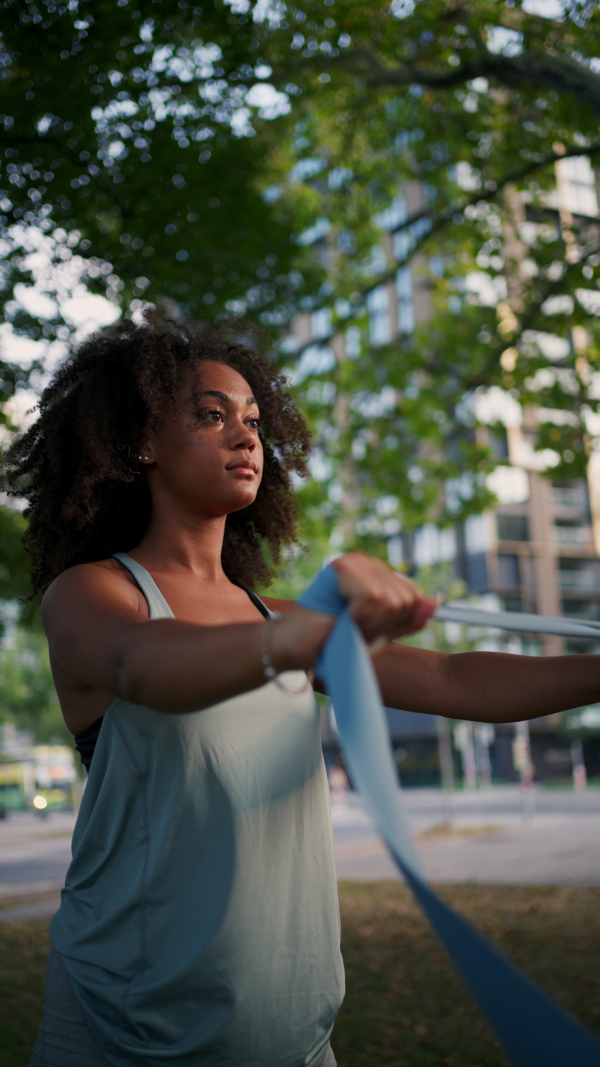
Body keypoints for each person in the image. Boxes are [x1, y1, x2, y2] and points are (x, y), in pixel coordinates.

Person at [5, 311, 599, 1067]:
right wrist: (306, 632)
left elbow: (454, 677)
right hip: (120, 1027)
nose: (245, 435)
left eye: (253, 419)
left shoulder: (278, 621)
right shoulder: (93, 595)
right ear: (141, 441)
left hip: (292, 1034)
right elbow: (143, 665)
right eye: (211, 415)